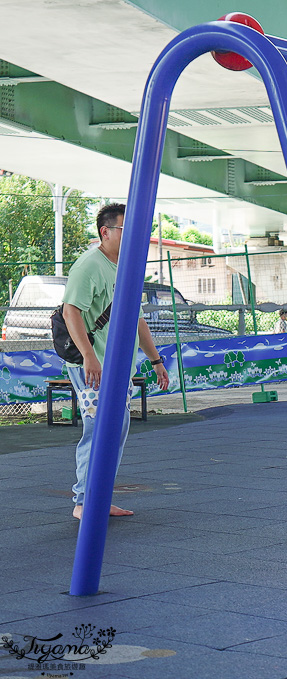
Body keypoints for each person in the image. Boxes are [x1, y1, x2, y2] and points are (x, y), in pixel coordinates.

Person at [62, 203, 170, 520]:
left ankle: (99, 497)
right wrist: (88, 356)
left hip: (117, 367)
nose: (133, 236)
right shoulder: (89, 266)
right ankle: (83, 501)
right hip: (93, 366)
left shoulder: (126, 267)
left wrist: (156, 361)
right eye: (125, 229)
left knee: (116, 430)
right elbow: (71, 312)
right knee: (98, 430)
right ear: (105, 232)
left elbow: (137, 320)